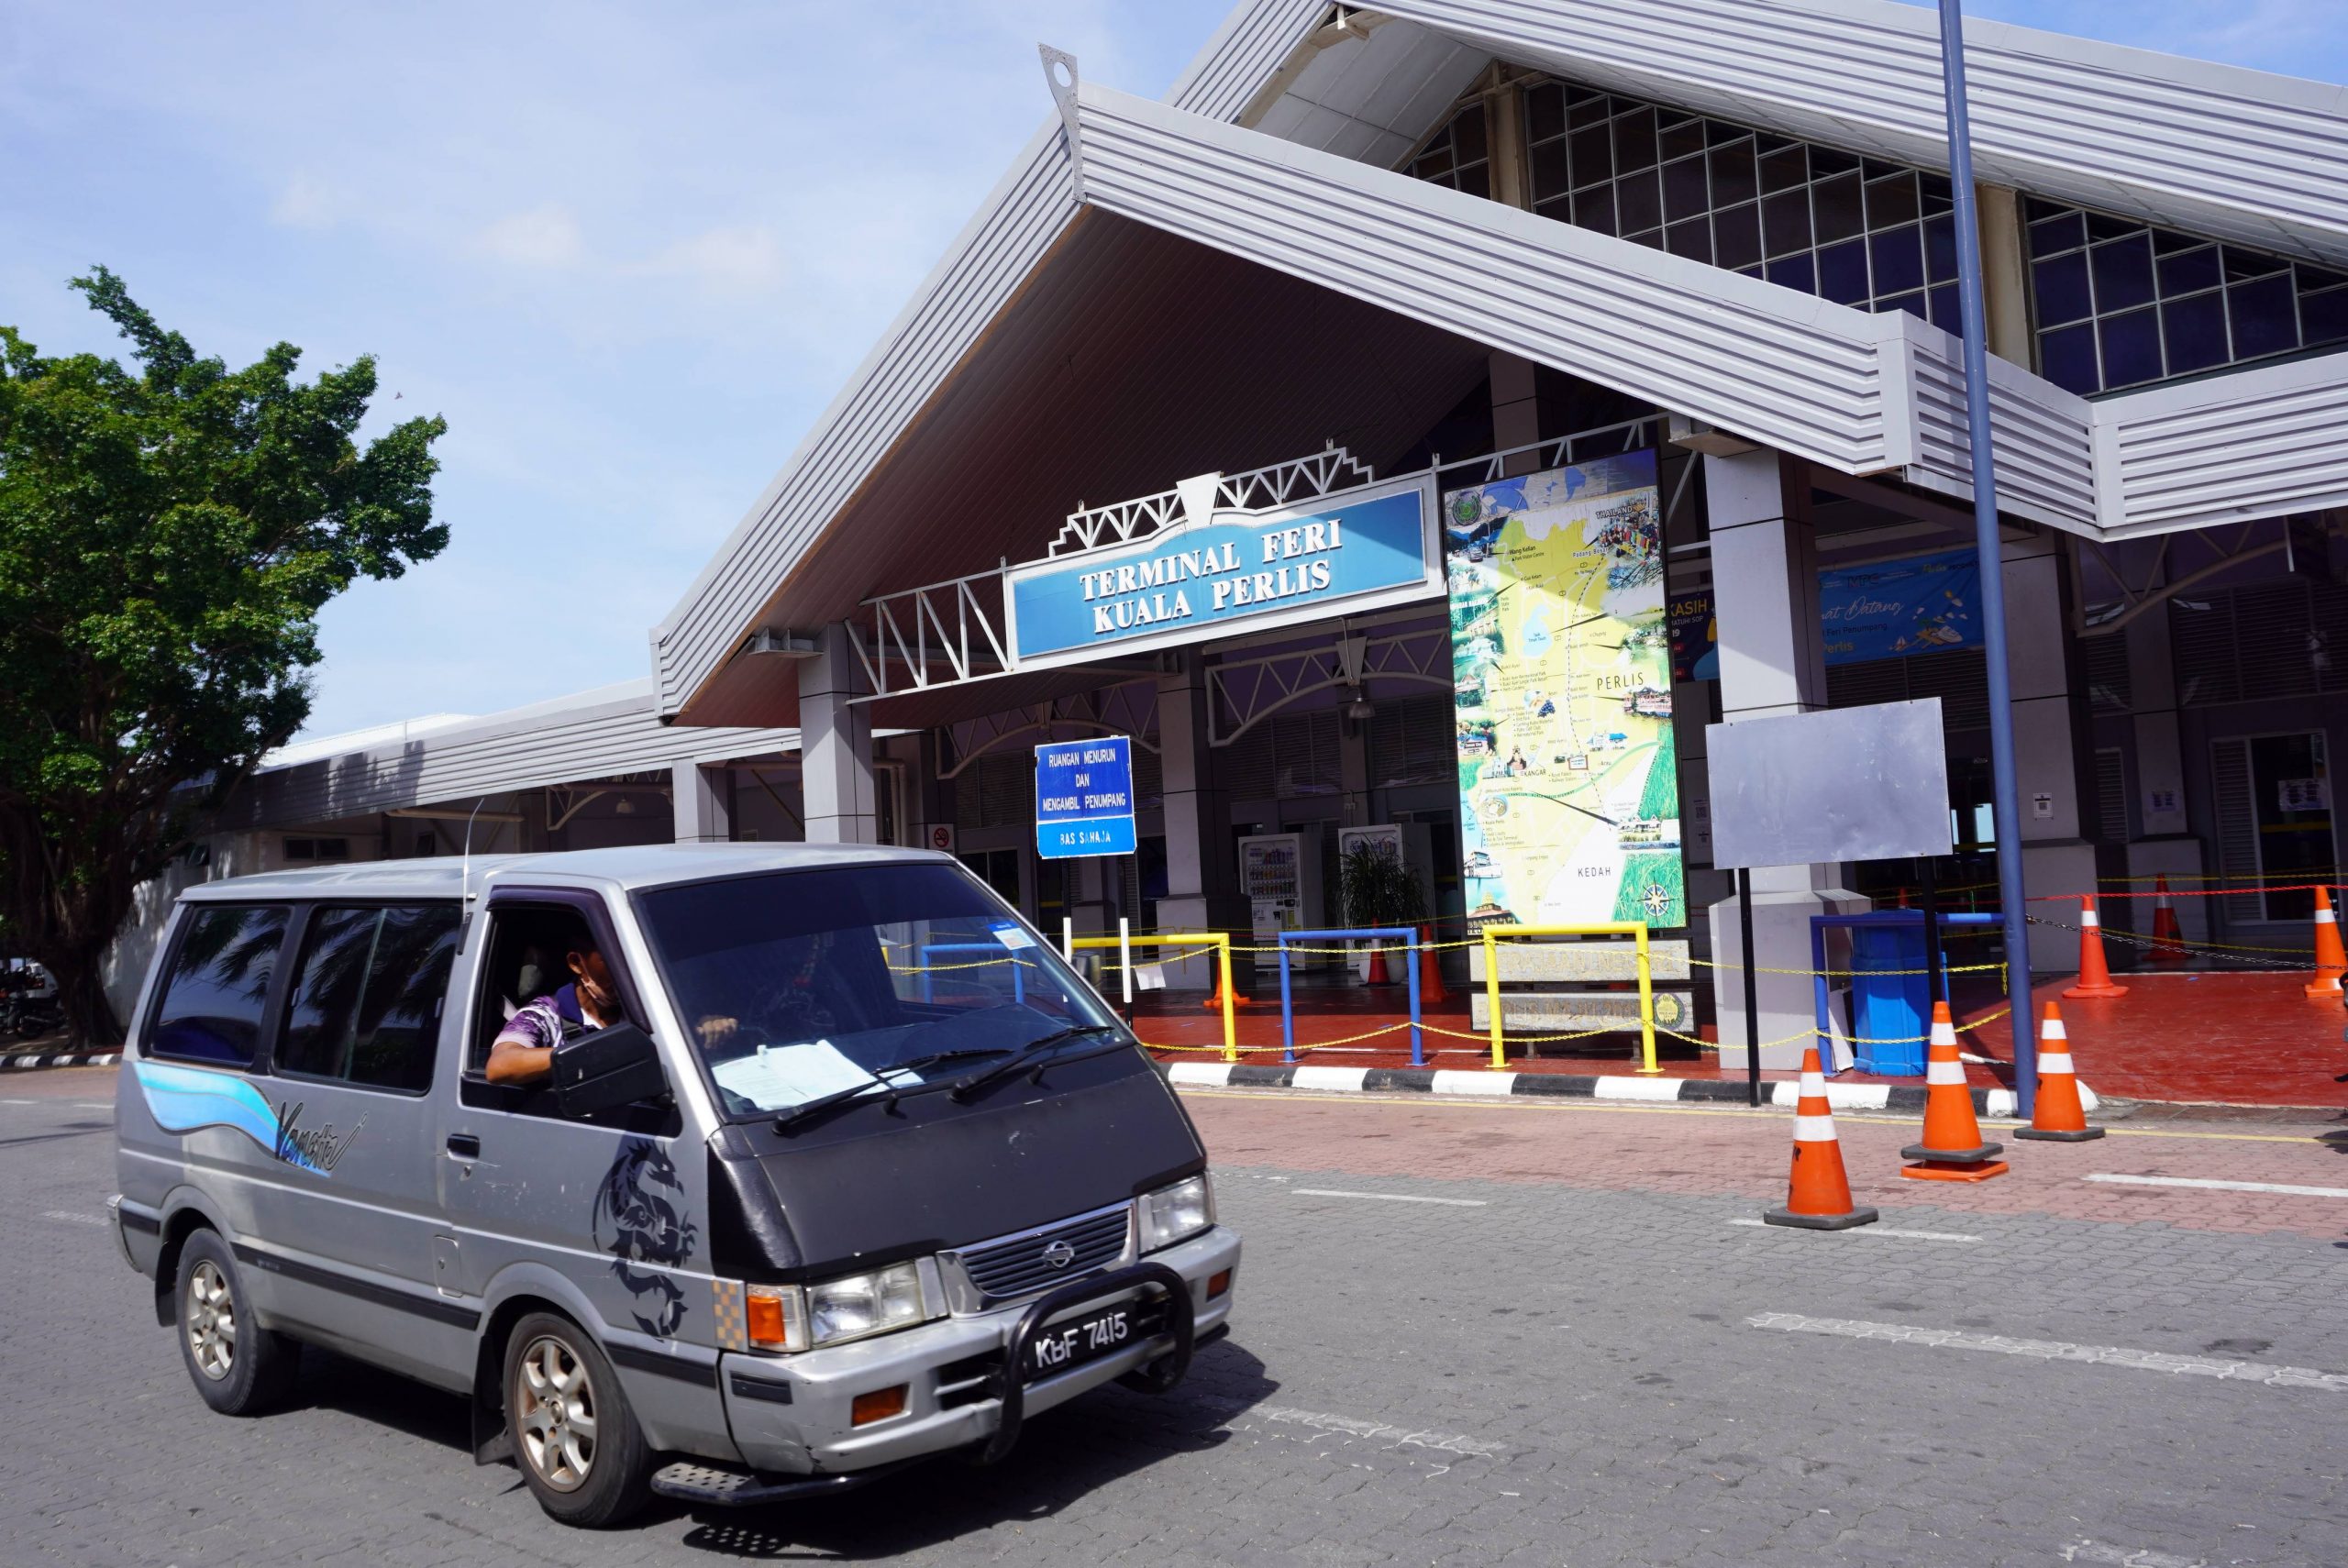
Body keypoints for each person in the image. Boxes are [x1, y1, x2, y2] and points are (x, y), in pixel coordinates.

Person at [484, 938, 738, 1086]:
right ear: (577, 963)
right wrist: (603, 1052)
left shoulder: (656, 1006)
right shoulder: (543, 1016)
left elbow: (693, 1029)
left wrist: (710, 1027)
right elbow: (500, 1066)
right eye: (613, 959)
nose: (629, 971)